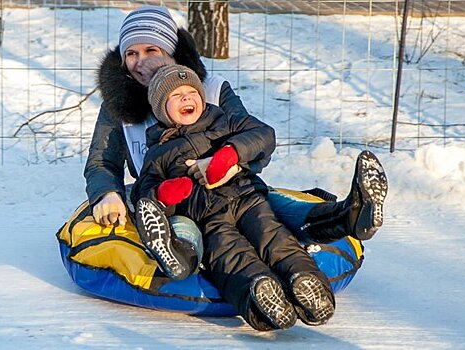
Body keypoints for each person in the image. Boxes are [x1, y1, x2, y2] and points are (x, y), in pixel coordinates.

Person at [84, 5, 387, 290]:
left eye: (152, 49)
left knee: (272, 206)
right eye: (132, 53)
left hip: (235, 185)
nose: (142, 61)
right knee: (189, 228)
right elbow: (101, 162)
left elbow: (254, 137)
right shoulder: (117, 108)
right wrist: (107, 193)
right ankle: (182, 256)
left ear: (172, 51)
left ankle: (350, 215)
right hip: (178, 201)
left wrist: (230, 162)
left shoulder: (211, 89)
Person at [130, 63, 336, 331]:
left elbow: (262, 134)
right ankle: (259, 295)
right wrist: (164, 194)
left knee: (274, 238)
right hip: (208, 217)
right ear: (161, 110)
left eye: (191, 92)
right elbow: (143, 189)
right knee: (229, 255)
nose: (185, 97)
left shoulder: (224, 121)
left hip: (248, 198)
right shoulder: (158, 152)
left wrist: (230, 153)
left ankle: (307, 282)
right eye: (174, 95)